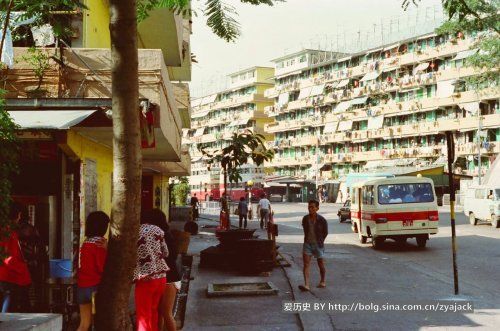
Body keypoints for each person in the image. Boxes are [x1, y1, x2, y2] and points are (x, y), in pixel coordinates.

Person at [146, 209, 181, 331]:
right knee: (160, 312)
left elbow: (169, 256)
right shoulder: (164, 234)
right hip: (166, 276)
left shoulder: (162, 235)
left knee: (166, 312)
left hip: (169, 278)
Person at [134, 213, 169, 331]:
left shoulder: (134, 232)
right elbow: (166, 253)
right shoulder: (158, 230)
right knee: (153, 311)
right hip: (161, 277)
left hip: (145, 278)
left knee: (143, 315)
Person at [77, 211, 110, 331]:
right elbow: (101, 267)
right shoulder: (99, 243)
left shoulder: (85, 243)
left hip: (82, 287)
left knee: (84, 324)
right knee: (99, 324)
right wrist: (107, 251)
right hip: (95, 288)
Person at [0, 202, 31, 313]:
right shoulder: (8, 232)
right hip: (9, 276)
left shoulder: (7, 231)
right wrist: (22, 267)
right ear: (17, 215)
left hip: (6, 274)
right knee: (7, 306)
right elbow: (8, 257)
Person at [299, 200, 328, 292]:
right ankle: (307, 284)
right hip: (307, 244)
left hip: (318, 245)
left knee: (321, 264)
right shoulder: (305, 219)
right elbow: (305, 230)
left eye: (312, 207)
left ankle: (322, 281)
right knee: (306, 264)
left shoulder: (322, 220)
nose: (310, 209)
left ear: (317, 208)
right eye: (309, 207)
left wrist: (320, 241)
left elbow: (325, 232)